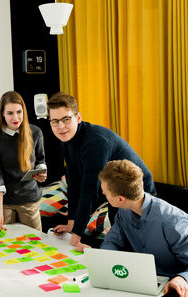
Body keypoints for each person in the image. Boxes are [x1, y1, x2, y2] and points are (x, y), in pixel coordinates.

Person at [47, 92, 156, 250]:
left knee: (137, 243)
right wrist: (71, 224)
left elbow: (89, 190)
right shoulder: (67, 140)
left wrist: (76, 235)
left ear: (78, 118)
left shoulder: (95, 142)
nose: (61, 127)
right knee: (119, 238)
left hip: (137, 191)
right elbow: (74, 184)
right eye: (55, 121)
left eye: (66, 119)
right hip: (114, 192)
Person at [99, 159, 188, 297]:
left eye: (105, 193)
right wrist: (106, 261)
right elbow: (111, 242)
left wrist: (182, 279)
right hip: (154, 282)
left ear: (120, 199)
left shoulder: (173, 221)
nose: (103, 194)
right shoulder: (124, 212)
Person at [0, 91, 47, 234]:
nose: (16, 117)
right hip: (5, 204)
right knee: (7, 245)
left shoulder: (36, 132)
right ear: (2, 113)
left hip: (30, 201)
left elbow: (40, 159)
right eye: (10, 113)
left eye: (19, 112)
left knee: (35, 245)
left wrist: (42, 171)